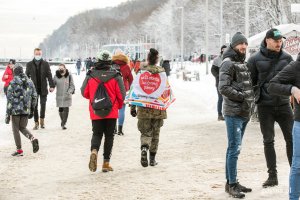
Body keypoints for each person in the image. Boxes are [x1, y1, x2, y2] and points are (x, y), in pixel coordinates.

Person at [247, 28, 294, 188]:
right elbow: (250, 82)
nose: (279, 43)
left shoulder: (288, 58)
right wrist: (258, 95)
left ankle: (295, 174)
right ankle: (272, 176)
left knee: (292, 140)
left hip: (284, 105)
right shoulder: (254, 59)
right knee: (268, 141)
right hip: (265, 107)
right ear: (267, 40)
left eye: (281, 41)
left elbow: (294, 79)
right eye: (276, 41)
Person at [219, 32, 254, 198]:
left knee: (233, 148)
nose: (244, 46)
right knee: (234, 148)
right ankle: (232, 184)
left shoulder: (242, 62)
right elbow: (223, 88)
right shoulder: (228, 63)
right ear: (233, 45)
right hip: (233, 112)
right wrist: (242, 96)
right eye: (240, 44)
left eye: (245, 44)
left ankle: (231, 181)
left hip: (244, 112)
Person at [81, 50, 125, 173]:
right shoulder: (116, 75)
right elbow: (121, 95)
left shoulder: (91, 75)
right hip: (112, 111)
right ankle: (106, 163)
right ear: (110, 61)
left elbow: (84, 92)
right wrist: (119, 106)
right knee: (109, 136)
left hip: (96, 111)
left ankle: (94, 151)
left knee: (97, 134)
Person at [268, 52, 300, 200]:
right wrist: (292, 90)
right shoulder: (295, 66)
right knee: (298, 165)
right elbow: (272, 85)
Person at [130, 48, 167, 168]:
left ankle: (144, 148)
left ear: (148, 58)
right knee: (156, 134)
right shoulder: (162, 72)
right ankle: (152, 159)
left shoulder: (141, 73)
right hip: (158, 109)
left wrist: (133, 107)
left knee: (145, 132)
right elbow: (165, 91)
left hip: (143, 108)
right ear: (157, 59)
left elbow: (135, 90)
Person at [5, 63, 39, 156]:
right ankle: (32, 138)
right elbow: (34, 96)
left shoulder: (12, 83)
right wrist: (32, 109)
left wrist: (8, 115)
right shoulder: (30, 82)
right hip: (25, 110)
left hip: (15, 111)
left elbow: (9, 99)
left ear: (14, 71)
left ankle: (19, 150)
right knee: (22, 127)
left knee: (15, 129)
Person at [26, 48, 55, 130]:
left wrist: (52, 86)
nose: (38, 55)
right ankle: (36, 123)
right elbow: (26, 76)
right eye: (36, 54)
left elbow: (49, 75)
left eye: (39, 54)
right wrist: (26, 87)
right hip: (33, 89)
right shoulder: (29, 64)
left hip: (43, 88)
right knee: (34, 106)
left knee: (43, 105)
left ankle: (42, 121)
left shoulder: (46, 64)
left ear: (41, 54)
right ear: (34, 54)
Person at [112, 53, 133, 136]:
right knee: (122, 110)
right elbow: (131, 80)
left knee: (113, 110)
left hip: (112, 90)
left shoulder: (111, 66)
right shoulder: (126, 66)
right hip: (123, 91)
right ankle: (120, 130)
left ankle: (114, 129)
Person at [53, 64, 75, 130]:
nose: (61, 69)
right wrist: (51, 87)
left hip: (67, 95)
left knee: (66, 109)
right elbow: (53, 84)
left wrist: (69, 92)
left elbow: (72, 85)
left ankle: (63, 123)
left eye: (62, 68)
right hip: (59, 95)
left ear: (65, 68)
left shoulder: (69, 75)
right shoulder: (56, 76)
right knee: (61, 109)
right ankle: (63, 121)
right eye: (59, 68)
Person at [211, 45, 227, 121]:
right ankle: (219, 115)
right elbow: (213, 70)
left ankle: (227, 114)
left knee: (228, 99)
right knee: (220, 98)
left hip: (228, 82)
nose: (224, 50)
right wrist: (218, 76)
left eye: (226, 49)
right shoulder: (217, 60)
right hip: (219, 83)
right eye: (223, 49)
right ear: (221, 50)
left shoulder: (230, 59)